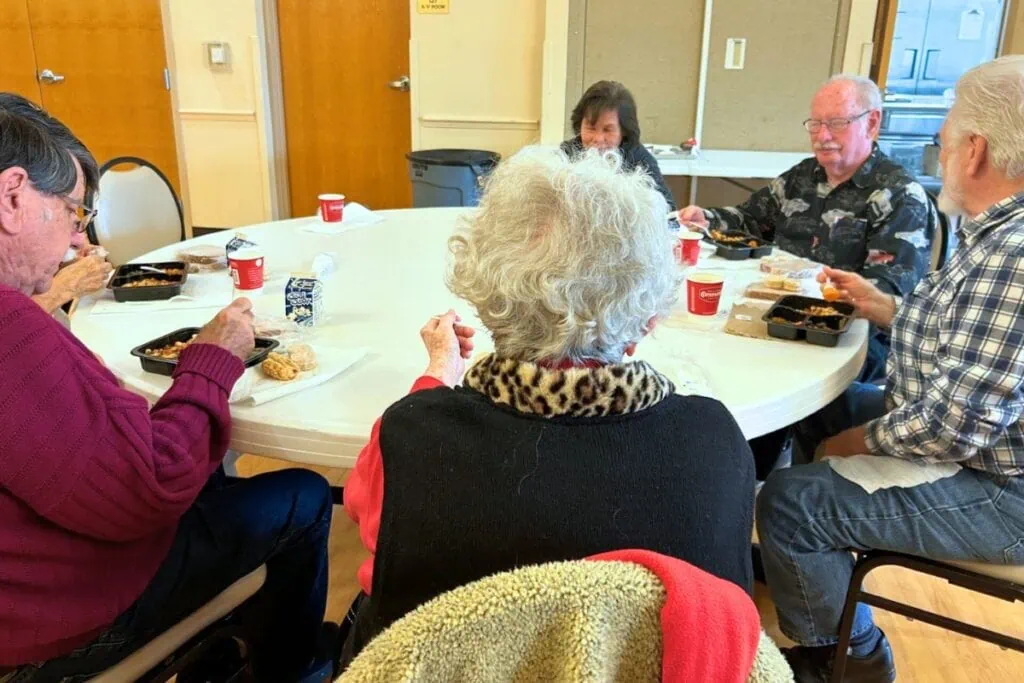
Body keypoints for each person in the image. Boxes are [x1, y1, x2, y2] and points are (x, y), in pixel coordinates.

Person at [340, 147, 755, 663]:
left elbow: (368, 516)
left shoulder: (410, 435)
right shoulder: (713, 441)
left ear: (486, 295)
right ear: (648, 317)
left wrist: (437, 379)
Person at [0, 95, 335, 682]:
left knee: (210, 479)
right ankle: (292, 669)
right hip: (54, 629)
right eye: (75, 215)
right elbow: (150, 484)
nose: (79, 242)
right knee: (303, 497)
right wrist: (213, 358)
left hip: (29, 574)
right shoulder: (9, 329)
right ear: (12, 196)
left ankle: (223, 651)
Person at [756, 56, 1024, 683]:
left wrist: (860, 443)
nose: (940, 145)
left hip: (1000, 490)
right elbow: (972, 349)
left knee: (793, 502)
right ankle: (809, 568)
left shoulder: (1012, 254)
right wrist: (887, 309)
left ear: (976, 150)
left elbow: (958, 423)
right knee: (818, 409)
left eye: (948, 132)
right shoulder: (995, 232)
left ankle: (849, 658)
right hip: (974, 441)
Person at [680, 75, 934, 387]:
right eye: (815, 124)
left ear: (871, 123)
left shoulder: (899, 195)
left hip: (848, 340)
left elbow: (886, 294)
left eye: (837, 123)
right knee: (703, 357)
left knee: (740, 374)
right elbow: (749, 219)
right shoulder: (802, 176)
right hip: (780, 318)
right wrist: (705, 218)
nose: (822, 136)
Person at [561, 80, 676, 210]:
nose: (598, 139)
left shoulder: (640, 160)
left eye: (608, 130)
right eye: (591, 128)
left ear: (624, 131)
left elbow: (668, 209)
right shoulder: (565, 154)